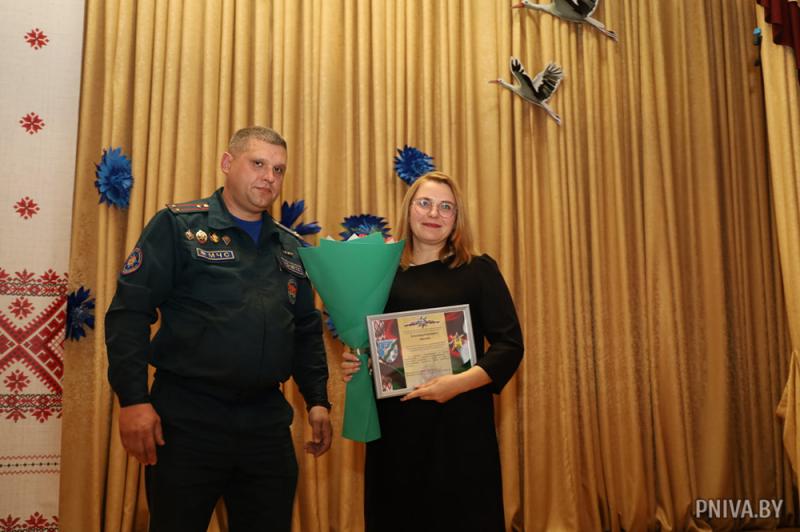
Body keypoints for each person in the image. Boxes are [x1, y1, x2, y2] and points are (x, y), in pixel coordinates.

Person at [105, 126, 332, 532]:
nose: (269, 177)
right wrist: (133, 400)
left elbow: (305, 329)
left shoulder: (292, 247)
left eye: (278, 169)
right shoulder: (178, 227)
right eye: (258, 163)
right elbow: (129, 313)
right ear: (228, 163)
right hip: (188, 419)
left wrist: (317, 399)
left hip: (266, 423)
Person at [342, 171, 524, 532]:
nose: (433, 213)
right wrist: (359, 363)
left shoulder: (478, 270)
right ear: (409, 208)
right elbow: (375, 347)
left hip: (461, 431)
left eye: (446, 207)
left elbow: (509, 346)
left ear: (456, 217)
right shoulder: (380, 273)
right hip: (396, 433)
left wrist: (457, 384)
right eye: (424, 203)